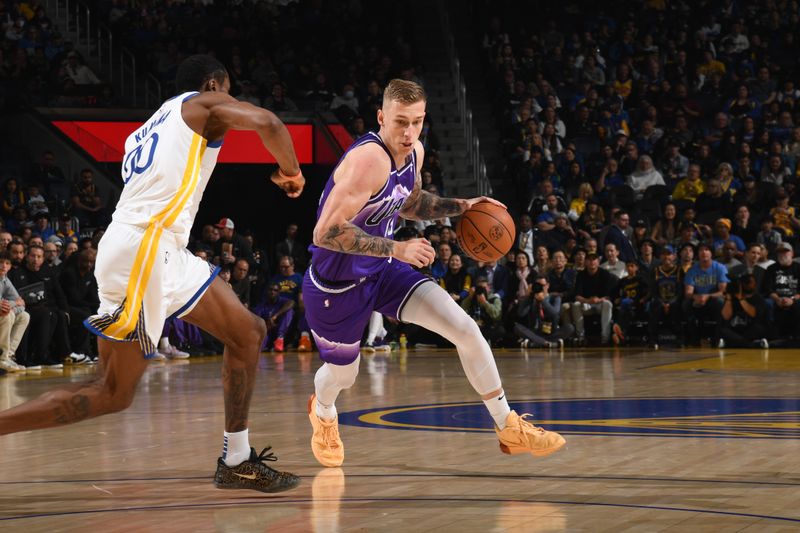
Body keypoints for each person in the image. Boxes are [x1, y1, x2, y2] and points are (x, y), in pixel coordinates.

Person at [0, 55, 305, 493]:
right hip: (146, 248)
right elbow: (269, 123)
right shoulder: (204, 106)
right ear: (213, 85)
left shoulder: (149, 127)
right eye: (227, 88)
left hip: (153, 248)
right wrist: (292, 173)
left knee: (248, 332)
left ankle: (236, 459)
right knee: (112, 393)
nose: (229, 97)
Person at [303, 79, 565, 468]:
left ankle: (507, 425)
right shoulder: (367, 161)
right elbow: (324, 232)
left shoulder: (414, 153)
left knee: (465, 328)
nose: (409, 133)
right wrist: (397, 248)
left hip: (382, 270)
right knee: (344, 375)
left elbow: (408, 202)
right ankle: (323, 411)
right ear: (381, 117)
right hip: (336, 283)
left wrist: (464, 206)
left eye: (417, 122)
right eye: (400, 123)